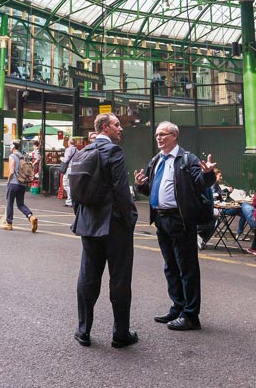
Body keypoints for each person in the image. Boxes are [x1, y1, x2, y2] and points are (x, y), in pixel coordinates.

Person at [133, 121, 216, 331]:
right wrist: (141, 185)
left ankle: (190, 315)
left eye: (163, 134)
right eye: (157, 135)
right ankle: (177, 307)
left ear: (175, 136)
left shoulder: (187, 160)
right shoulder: (156, 160)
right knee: (170, 267)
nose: (159, 138)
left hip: (181, 219)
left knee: (187, 268)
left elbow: (200, 183)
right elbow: (153, 188)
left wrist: (207, 175)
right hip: (161, 219)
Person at [71, 113, 138, 349]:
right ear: (106, 127)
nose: (121, 129)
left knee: (88, 277)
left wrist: (82, 218)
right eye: (117, 125)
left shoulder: (82, 152)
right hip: (114, 225)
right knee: (119, 279)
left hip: (88, 224)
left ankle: (83, 331)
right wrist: (130, 218)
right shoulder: (114, 152)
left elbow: (75, 194)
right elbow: (121, 190)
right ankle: (120, 334)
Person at [2, 140, 37, 232]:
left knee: (9, 202)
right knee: (20, 204)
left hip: (13, 183)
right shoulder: (22, 157)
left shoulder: (12, 156)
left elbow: (11, 172)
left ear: (13, 147)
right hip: (22, 183)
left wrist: (8, 181)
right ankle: (30, 216)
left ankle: (9, 223)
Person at [60, 138, 77, 207]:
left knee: (66, 184)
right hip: (75, 168)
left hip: (69, 168)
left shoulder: (68, 149)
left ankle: (70, 201)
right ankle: (71, 200)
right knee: (72, 184)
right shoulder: (77, 149)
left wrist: (61, 158)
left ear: (69, 143)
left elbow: (66, 160)